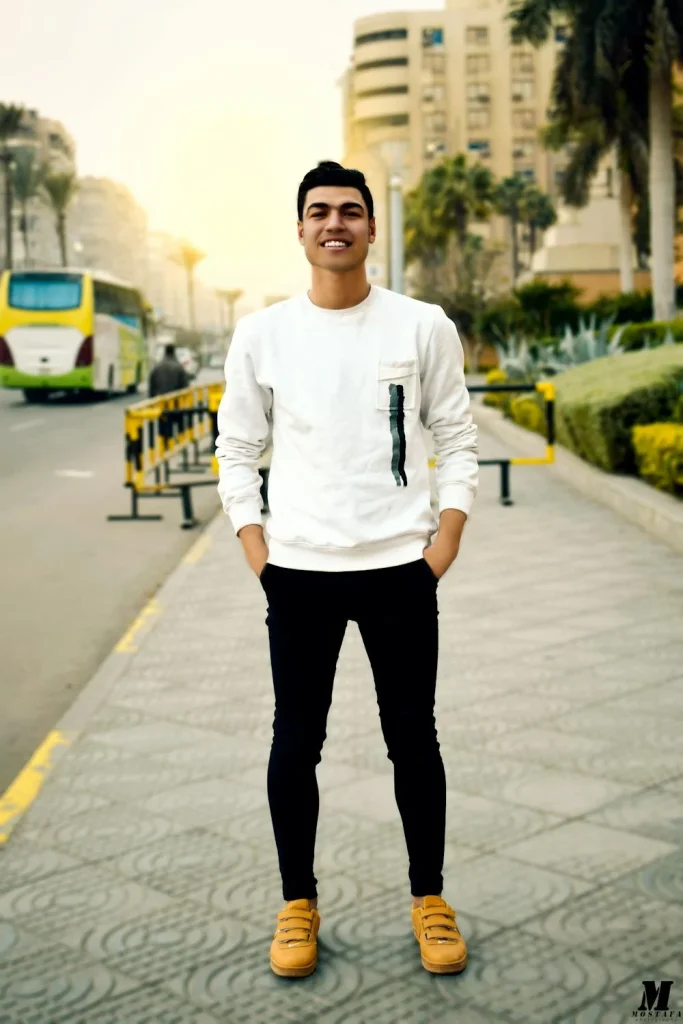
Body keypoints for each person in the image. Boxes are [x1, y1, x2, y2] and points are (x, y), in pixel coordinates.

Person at [215, 161, 478, 980]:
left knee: (414, 741)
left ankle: (429, 899)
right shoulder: (262, 333)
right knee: (295, 743)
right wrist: (260, 554)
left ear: (371, 228)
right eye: (319, 211)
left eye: (350, 211)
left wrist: (443, 544)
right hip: (296, 574)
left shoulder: (420, 324)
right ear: (299, 230)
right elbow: (237, 451)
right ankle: (297, 903)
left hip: (401, 568)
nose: (336, 223)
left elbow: (457, 436)